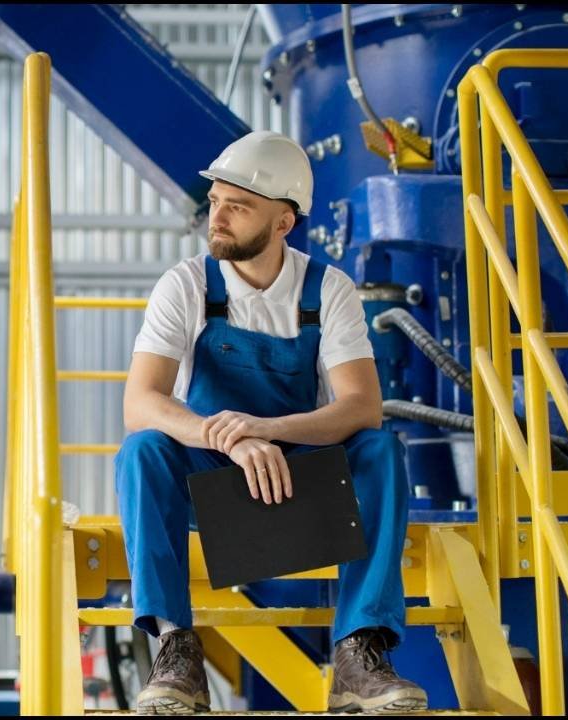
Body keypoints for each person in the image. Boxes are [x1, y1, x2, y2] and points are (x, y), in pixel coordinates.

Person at [115, 131, 427, 714]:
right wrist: (225, 437)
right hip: (208, 478)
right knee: (143, 451)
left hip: (290, 474)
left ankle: (359, 650)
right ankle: (176, 651)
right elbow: (141, 401)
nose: (219, 217)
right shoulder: (187, 285)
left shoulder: (327, 290)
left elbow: (361, 405)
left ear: (283, 222)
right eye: (216, 202)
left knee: (382, 452)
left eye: (239, 206)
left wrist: (266, 431)